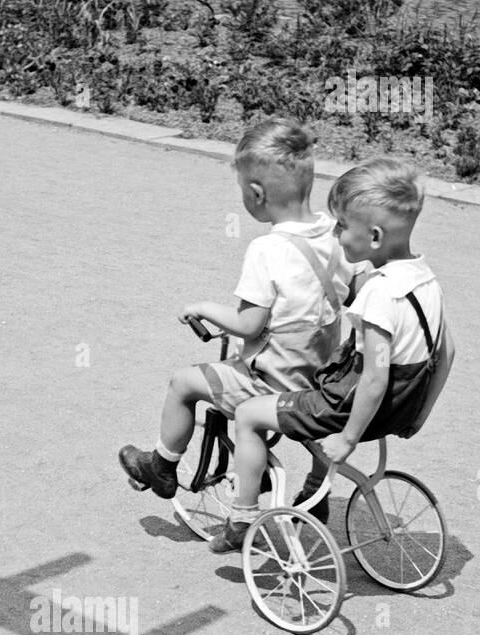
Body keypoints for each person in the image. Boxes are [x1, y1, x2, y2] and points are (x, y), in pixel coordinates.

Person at [206, 156, 455, 553]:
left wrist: (349, 438)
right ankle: (314, 491)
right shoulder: (425, 279)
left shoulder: (378, 291)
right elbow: (447, 352)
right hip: (401, 407)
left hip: (346, 406)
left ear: (374, 237)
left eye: (341, 225)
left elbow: (373, 376)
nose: (335, 234)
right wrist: (419, 414)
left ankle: (242, 517)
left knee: (249, 415)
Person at [119, 117, 359, 507]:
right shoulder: (334, 233)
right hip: (320, 378)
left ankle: (161, 464)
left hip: (273, 381)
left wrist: (204, 309)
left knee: (183, 383)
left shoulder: (267, 250)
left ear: (256, 193)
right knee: (250, 371)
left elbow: (249, 326)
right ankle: (308, 488)